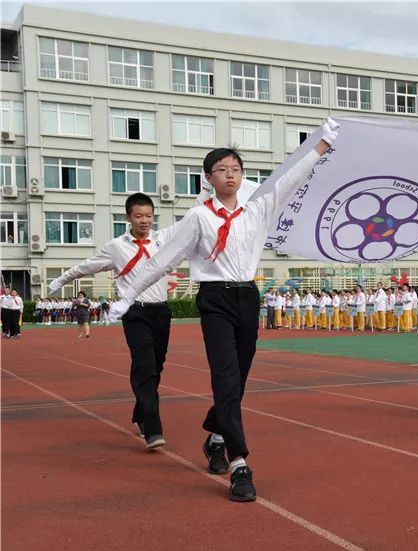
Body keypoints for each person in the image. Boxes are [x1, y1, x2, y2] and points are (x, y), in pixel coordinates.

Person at [107, 119, 339, 502]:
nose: (230, 175)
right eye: (222, 170)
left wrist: (322, 144)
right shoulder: (199, 217)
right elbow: (163, 259)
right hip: (214, 300)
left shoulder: (259, 207)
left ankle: (216, 434)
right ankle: (239, 464)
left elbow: (290, 178)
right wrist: (128, 294)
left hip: (248, 297)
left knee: (239, 378)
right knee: (225, 378)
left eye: (236, 169)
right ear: (208, 178)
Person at [49, 192, 178, 450]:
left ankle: (141, 413)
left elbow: (193, 219)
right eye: (139, 216)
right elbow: (87, 266)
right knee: (145, 365)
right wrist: (61, 279)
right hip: (134, 313)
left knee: (157, 366)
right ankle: (153, 429)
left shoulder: (163, 239)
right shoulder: (116, 247)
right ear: (128, 217)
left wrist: (209, 190)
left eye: (149, 216)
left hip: (161, 312)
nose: (145, 221)